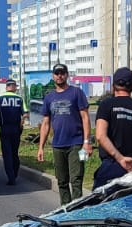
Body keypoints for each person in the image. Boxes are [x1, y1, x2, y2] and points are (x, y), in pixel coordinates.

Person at [35, 63, 92, 205]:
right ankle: (65, 210)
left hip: (77, 144)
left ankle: (77, 212)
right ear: (53, 76)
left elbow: (85, 118)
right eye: (57, 73)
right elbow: (46, 123)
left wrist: (87, 142)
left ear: (67, 75)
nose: (59, 76)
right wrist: (41, 147)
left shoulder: (76, 93)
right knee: (62, 181)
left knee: (76, 179)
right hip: (58, 145)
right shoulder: (49, 98)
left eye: (62, 73)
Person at [93, 67, 132, 189]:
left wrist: (120, 159)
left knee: (105, 206)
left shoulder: (106, 105)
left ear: (114, 85)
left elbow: (100, 136)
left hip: (112, 166)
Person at [0, 79, 26, 185]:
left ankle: (11, 178)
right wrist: (22, 123)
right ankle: (15, 173)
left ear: (6, 87)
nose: (16, 88)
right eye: (15, 86)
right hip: (16, 129)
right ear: (13, 87)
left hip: (4, 129)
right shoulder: (20, 98)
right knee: (15, 153)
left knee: (7, 154)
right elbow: (25, 114)